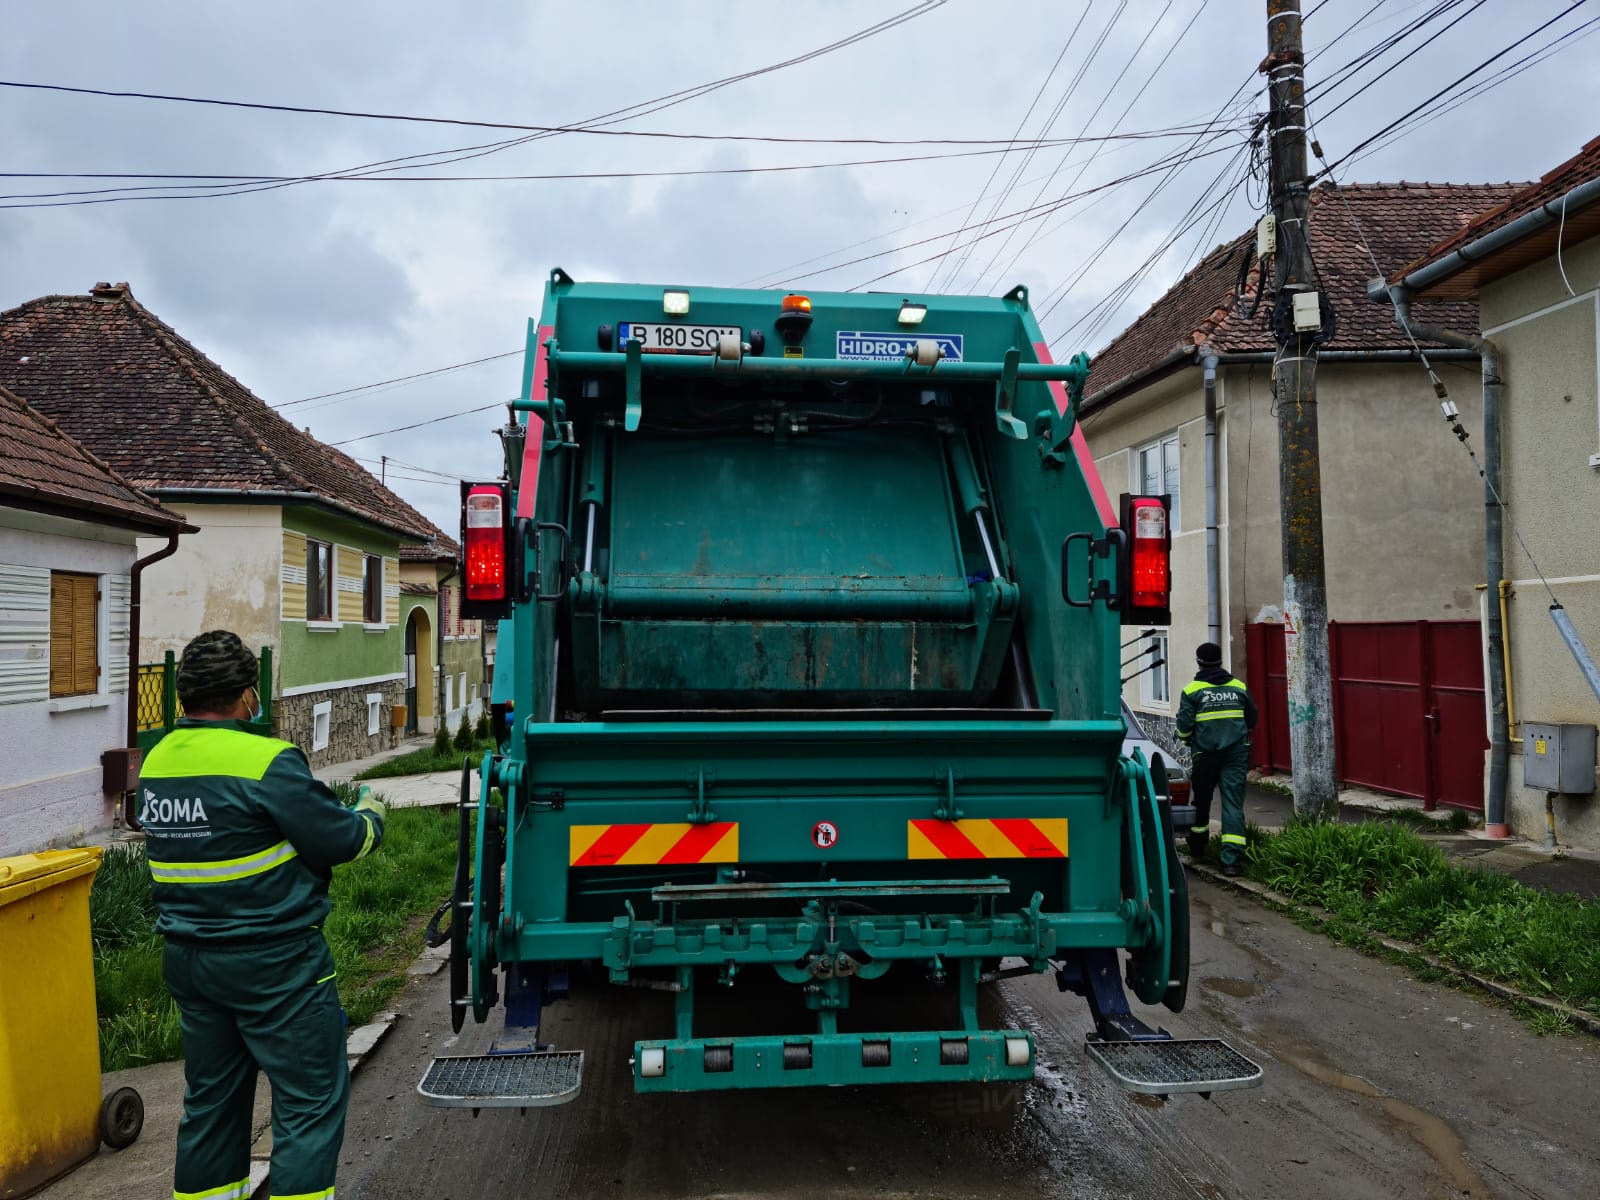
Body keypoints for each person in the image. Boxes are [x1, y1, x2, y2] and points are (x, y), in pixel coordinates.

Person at [138, 630, 387, 1200]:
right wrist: (371, 815)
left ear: (185, 695)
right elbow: (339, 839)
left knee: (211, 1108)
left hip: (191, 962)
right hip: (276, 967)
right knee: (309, 1105)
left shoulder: (158, 762)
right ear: (247, 695)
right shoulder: (265, 761)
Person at [1176, 641, 1258, 877]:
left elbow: (1184, 727)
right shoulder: (1239, 687)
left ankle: (1198, 847)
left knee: (1201, 800)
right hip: (1235, 754)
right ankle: (1231, 861)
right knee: (1233, 803)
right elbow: (1251, 718)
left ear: (1199, 662)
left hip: (1205, 754)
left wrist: (1186, 739)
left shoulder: (1192, 691)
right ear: (1220, 660)